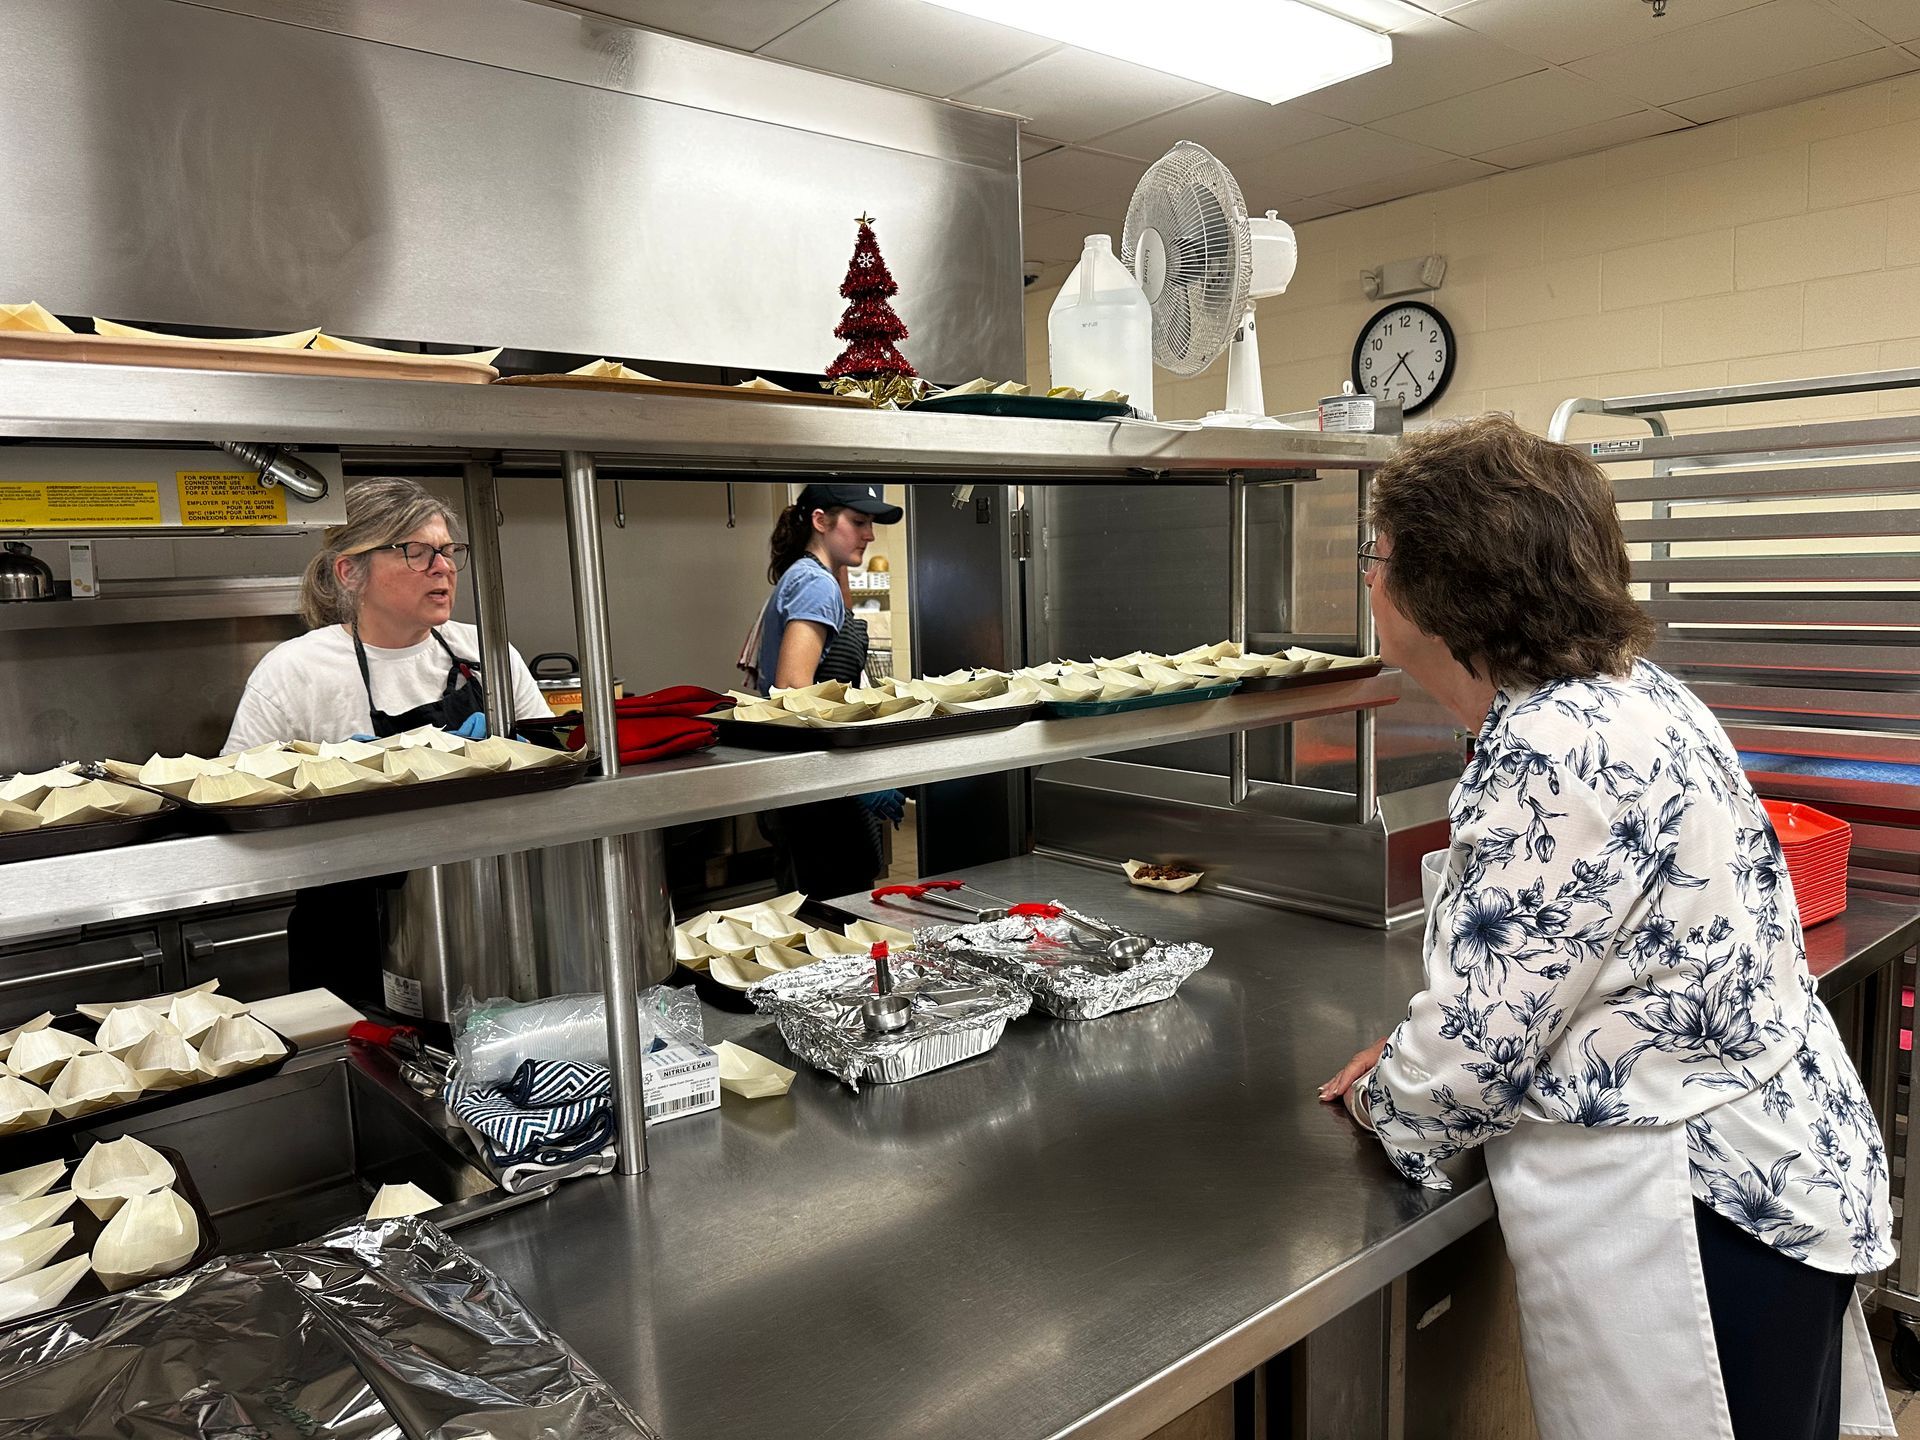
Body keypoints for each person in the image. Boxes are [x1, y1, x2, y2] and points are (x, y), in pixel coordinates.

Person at [1319, 415, 1894, 1440]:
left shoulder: (1545, 745)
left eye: (1381, 552)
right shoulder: (1628, 694)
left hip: (1701, 1207)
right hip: (1780, 1164)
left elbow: (1474, 1060)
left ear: (1448, 584)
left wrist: (1383, 1093)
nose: (1371, 576)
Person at [223, 477, 551, 1001]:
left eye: (447, 552)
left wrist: (506, 754)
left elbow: (551, 773)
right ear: (350, 571)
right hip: (349, 928)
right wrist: (334, 784)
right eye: (416, 552)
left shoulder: (485, 652)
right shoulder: (294, 671)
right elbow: (236, 803)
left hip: (482, 913)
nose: (442, 567)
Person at [741, 481, 905, 901]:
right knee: (830, 920)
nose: (869, 534)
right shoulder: (814, 584)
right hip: (813, 789)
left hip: (809, 784)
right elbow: (795, 690)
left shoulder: (809, 576)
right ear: (820, 521)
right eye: (859, 522)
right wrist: (859, 778)